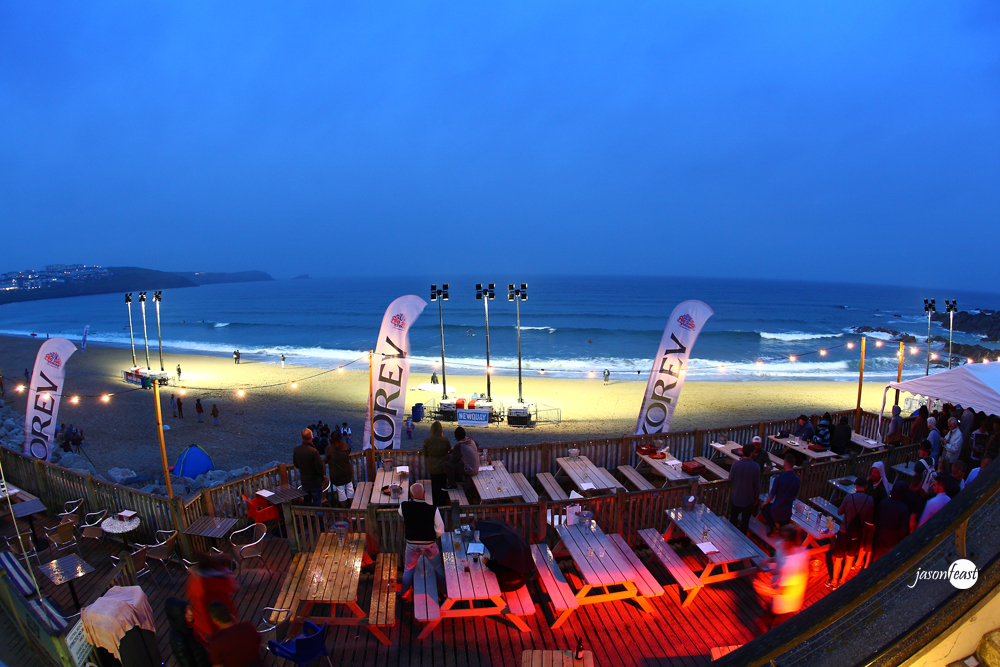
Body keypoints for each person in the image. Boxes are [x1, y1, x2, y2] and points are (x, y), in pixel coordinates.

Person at [397, 483, 445, 601]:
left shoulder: (404, 506)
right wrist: (433, 536)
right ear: (424, 494)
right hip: (429, 545)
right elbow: (440, 529)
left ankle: (404, 594)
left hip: (412, 545)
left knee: (408, 569)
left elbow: (400, 513)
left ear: (411, 494)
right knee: (438, 568)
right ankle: (445, 593)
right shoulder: (433, 509)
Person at [827, 476, 874, 589]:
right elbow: (869, 520)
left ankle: (834, 581)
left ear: (856, 485)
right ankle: (842, 581)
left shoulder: (849, 497)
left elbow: (839, 512)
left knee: (839, 558)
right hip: (857, 534)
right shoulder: (870, 500)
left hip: (844, 531)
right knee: (850, 558)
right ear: (866, 487)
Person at [752, 525, 808, 615]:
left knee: (780, 623)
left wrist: (762, 588)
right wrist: (768, 560)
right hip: (777, 590)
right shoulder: (782, 546)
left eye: (785, 539)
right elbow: (779, 557)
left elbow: (788, 589)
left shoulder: (796, 561)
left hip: (787, 603)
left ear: (791, 541)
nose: (781, 541)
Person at [185, 553, 238, 645]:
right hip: (221, 620)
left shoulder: (195, 580)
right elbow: (232, 587)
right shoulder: (218, 582)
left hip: (202, 622)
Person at [206, 601, 263, 667]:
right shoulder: (247, 626)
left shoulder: (215, 641)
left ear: (215, 620)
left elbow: (217, 665)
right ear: (229, 614)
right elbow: (258, 640)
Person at [165, 597, 211, 667]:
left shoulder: (189, 627)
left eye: (189, 609)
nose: (191, 613)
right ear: (179, 615)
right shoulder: (178, 639)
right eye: (186, 612)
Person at [760, 454, 800, 535]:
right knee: (783, 532)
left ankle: (773, 527)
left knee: (764, 508)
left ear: (784, 463)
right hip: (787, 511)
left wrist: (766, 502)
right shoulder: (797, 480)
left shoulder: (779, 479)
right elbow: (794, 496)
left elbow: (772, 495)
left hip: (776, 510)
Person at [873, 481, 910, 560]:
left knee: (876, 563)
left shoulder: (883, 503)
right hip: (892, 544)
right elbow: (904, 530)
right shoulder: (903, 508)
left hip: (880, 540)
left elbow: (876, 520)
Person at [728, 445, 760, 535]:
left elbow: (730, 478)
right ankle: (742, 541)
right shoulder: (755, 466)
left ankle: (730, 537)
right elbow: (757, 485)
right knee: (745, 522)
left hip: (736, 496)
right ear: (751, 453)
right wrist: (756, 498)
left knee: (733, 520)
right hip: (748, 499)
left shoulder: (736, 464)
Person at [293, 429, 325, 507]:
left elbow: (296, 464)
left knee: (307, 502)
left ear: (302, 437)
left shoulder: (297, 450)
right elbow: (320, 468)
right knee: (317, 502)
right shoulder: (314, 452)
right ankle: (319, 519)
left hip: (305, 481)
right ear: (311, 437)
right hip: (315, 482)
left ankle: (308, 518)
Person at [422, 421, 451, 506]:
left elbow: (425, 454)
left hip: (432, 467)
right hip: (443, 467)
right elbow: (449, 449)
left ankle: (436, 504)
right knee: (443, 485)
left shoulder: (427, 441)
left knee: (435, 486)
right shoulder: (445, 440)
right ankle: (443, 504)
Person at [443, 427, 480, 491]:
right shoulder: (471, 441)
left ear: (456, 437)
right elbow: (476, 445)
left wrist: (451, 453)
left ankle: (452, 485)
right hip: (476, 467)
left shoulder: (459, 446)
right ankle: (458, 480)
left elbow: (452, 460)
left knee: (446, 464)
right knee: (459, 462)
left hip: (470, 470)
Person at [326, 431, 354, 507]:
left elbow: (327, 458)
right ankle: (352, 505)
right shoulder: (344, 445)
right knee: (349, 487)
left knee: (340, 490)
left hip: (336, 471)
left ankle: (344, 508)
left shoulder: (329, 448)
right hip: (346, 470)